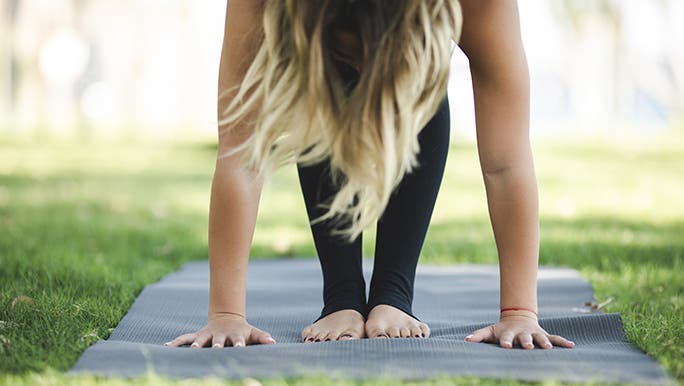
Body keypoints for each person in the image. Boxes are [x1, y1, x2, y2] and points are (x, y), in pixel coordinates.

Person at [164, 0, 575, 350]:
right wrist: (225, 314)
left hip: (413, 34)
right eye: (349, 54)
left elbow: (505, 164)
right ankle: (342, 295)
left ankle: (393, 292)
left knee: (408, 80)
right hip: (320, 30)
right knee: (325, 84)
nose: (361, 73)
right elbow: (240, 154)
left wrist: (520, 311)